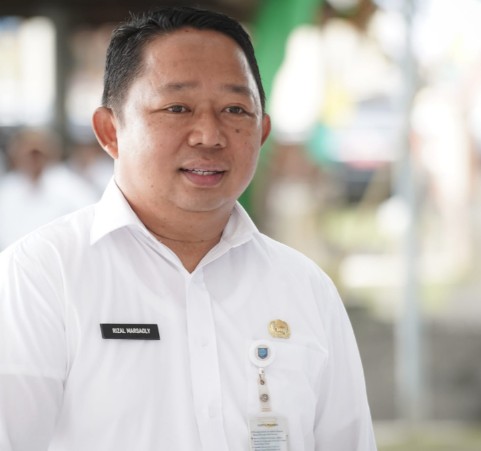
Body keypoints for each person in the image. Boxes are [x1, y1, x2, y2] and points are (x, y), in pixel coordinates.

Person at [0, 6, 377, 451]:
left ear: (262, 132)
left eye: (235, 109)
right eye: (177, 107)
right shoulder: (41, 277)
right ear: (110, 131)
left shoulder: (306, 288)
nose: (209, 135)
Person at [0, 129, 99, 249]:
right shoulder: (7, 189)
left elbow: (89, 224)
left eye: (37, 154)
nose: (33, 160)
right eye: (28, 154)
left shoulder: (70, 187)